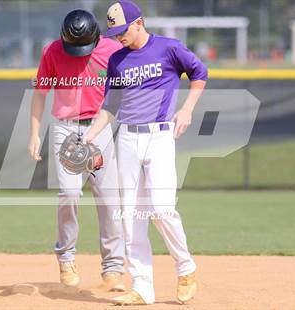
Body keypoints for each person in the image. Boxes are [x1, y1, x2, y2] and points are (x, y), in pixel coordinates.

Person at [84, 0, 207, 305]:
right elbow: (110, 106)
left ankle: (186, 268)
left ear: (139, 22)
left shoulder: (169, 48)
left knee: (162, 210)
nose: (119, 36)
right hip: (126, 138)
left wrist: (188, 109)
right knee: (131, 217)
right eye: (115, 32)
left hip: (159, 136)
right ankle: (142, 287)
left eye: (124, 30)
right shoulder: (117, 60)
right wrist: (88, 136)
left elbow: (199, 73)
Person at [28, 9, 125, 292]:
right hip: (65, 129)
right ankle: (66, 256)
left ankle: (113, 268)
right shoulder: (53, 51)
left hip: (100, 126)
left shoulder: (112, 49)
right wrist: (34, 133)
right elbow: (40, 93)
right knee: (70, 193)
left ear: (96, 37)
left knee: (108, 199)